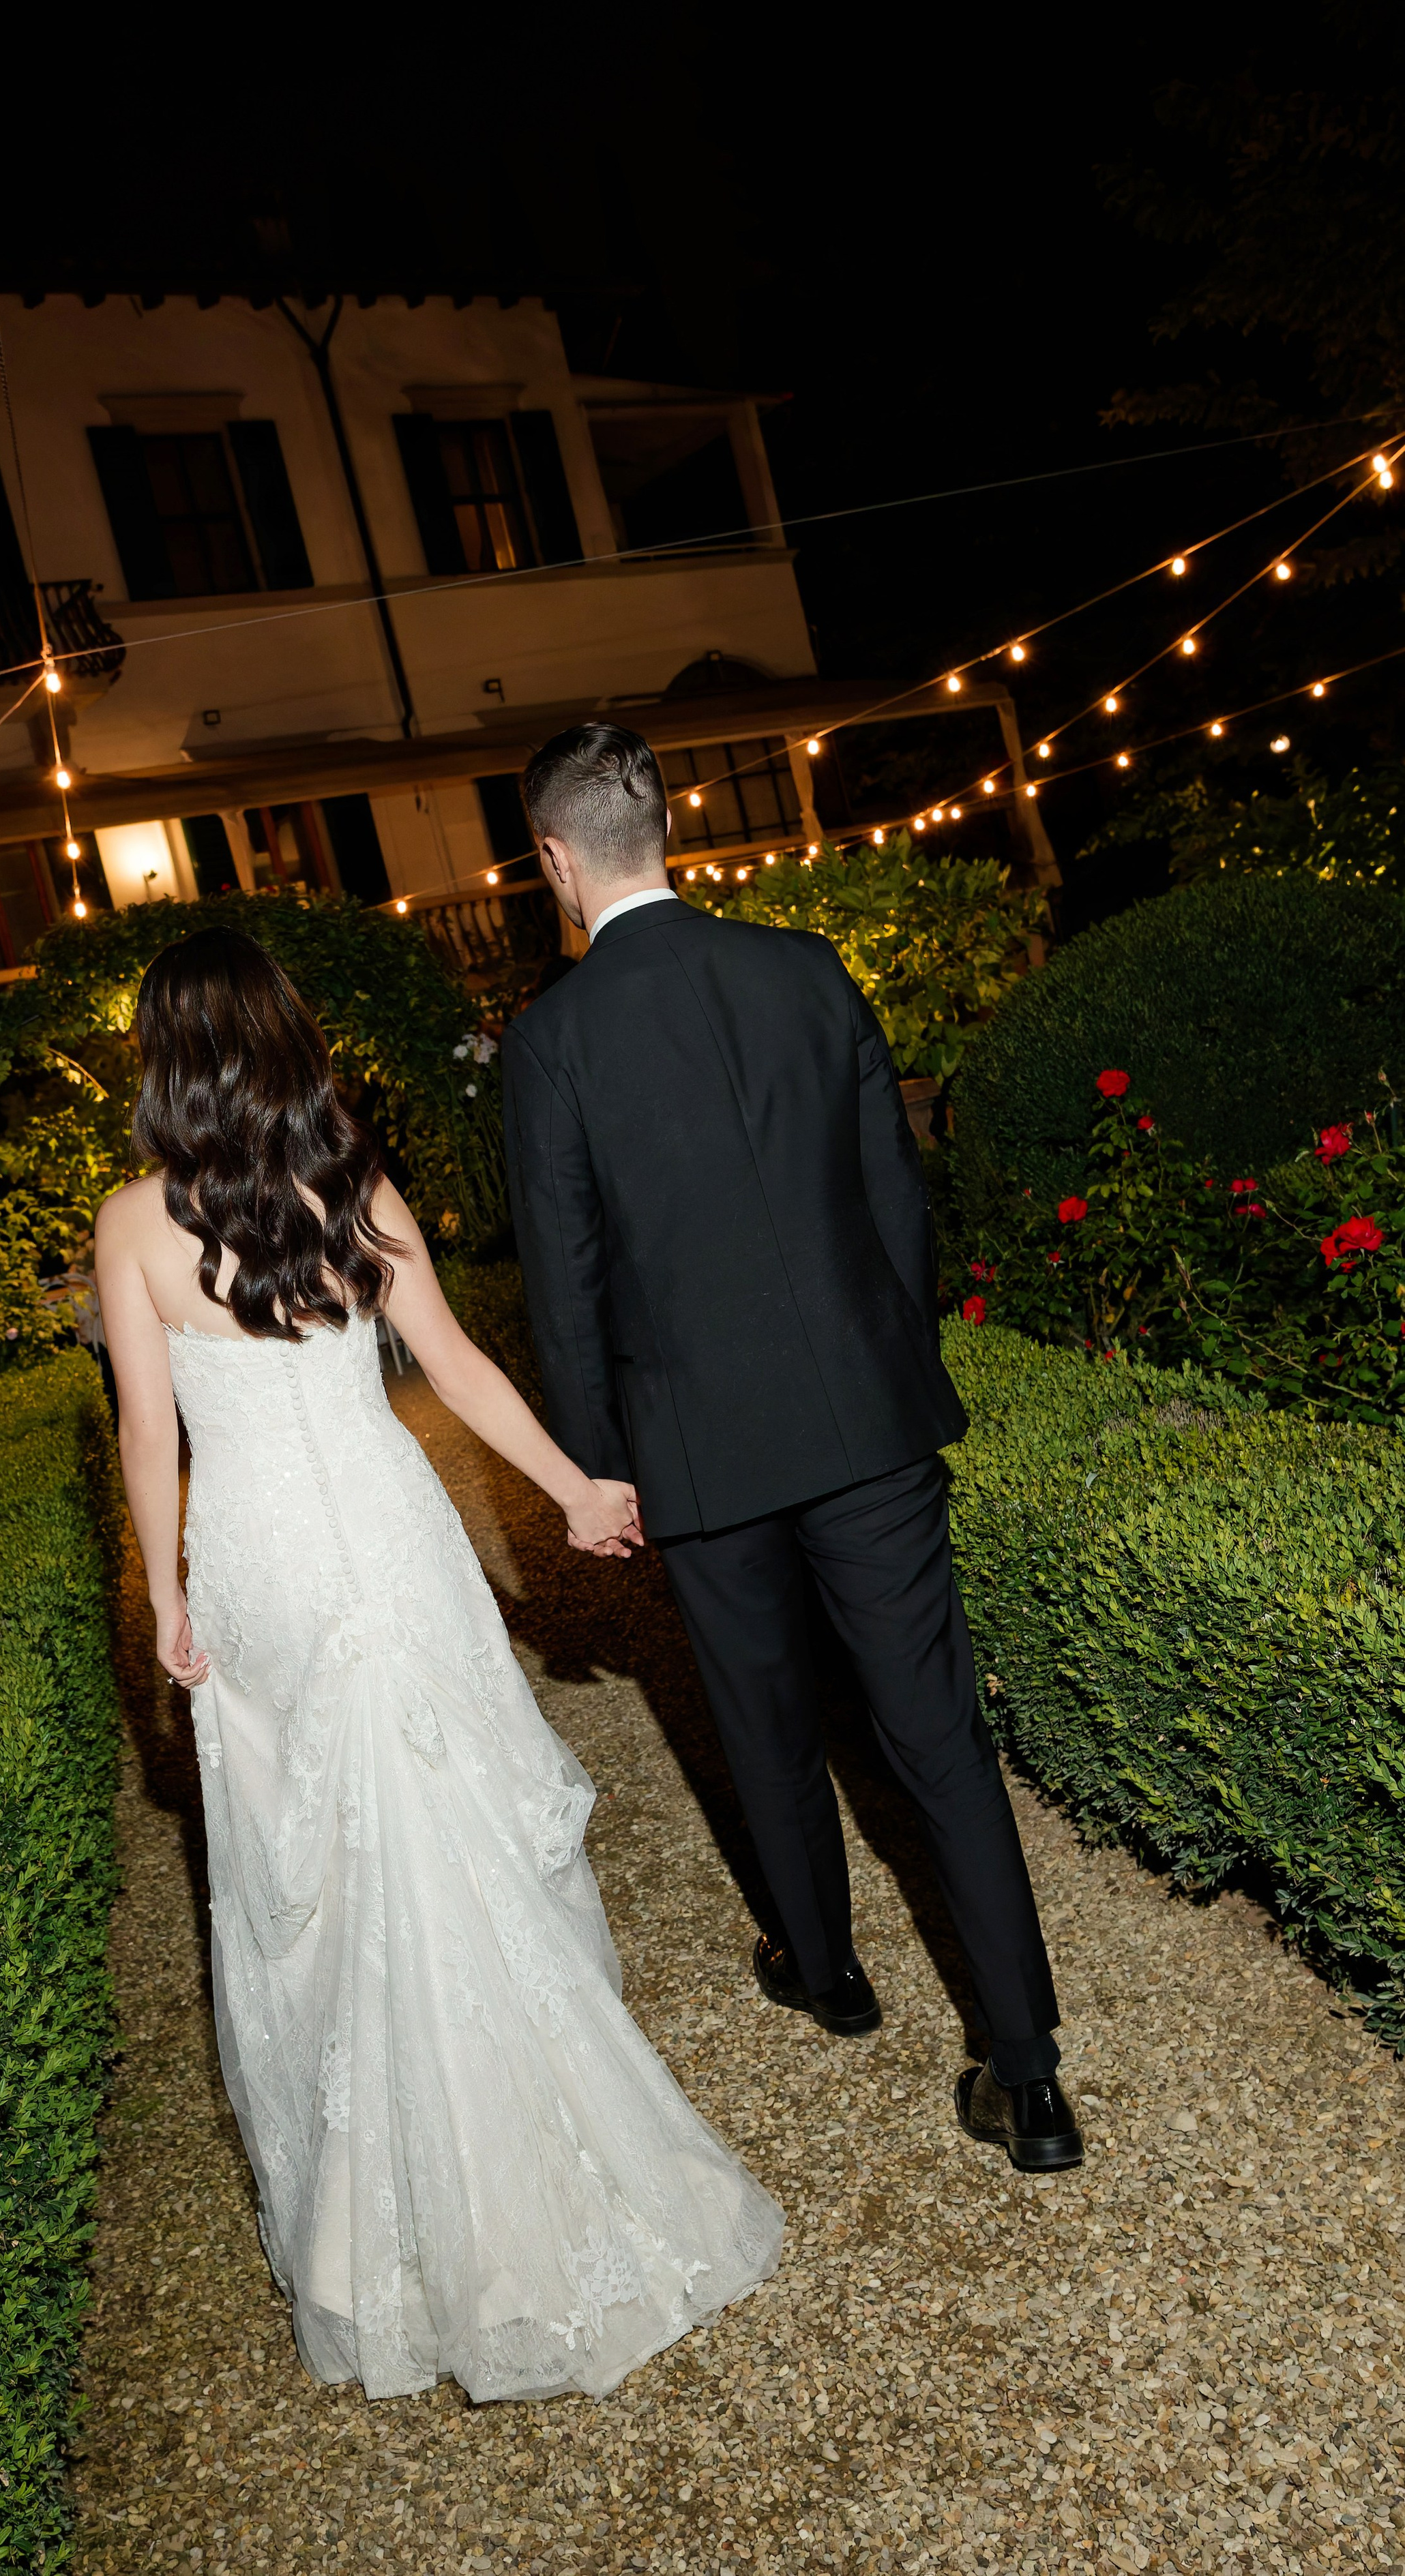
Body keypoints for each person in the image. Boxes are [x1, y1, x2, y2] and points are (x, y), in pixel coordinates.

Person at [94, 927, 782, 2403]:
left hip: (266, 1569)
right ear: (285, 1042)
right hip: (394, 1550)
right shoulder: (347, 1183)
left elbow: (149, 1439)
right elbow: (456, 1367)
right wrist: (571, 1485)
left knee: (322, 1884)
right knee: (451, 1838)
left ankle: (388, 2236)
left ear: (163, 1062)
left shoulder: (132, 1227)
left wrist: (162, 1592)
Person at [501, 723, 1082, 2177]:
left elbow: (562, 1284)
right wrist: (889, 1367)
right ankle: (1029, 2076)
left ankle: (824, 1975)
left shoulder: (551, 1042)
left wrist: (594, 1467)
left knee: (761, 1722)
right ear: (664, 833)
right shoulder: (804, 970)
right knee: (935, 1735)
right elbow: (896, 1200)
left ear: (556, 860)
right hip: (863, 1421)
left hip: (694, 1449)